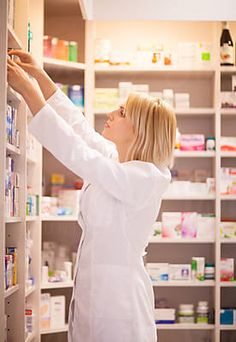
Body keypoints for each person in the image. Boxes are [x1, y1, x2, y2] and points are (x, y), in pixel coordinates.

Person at [7, 51, 176, 342]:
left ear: (140, 129)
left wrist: (29, 92)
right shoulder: (117, 159)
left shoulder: (146, 177)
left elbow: (79, 154)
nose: (111, 113)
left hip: (120, 303)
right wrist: (40, 77)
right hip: (92, 294)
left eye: (121, 112)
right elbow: (79, 129)